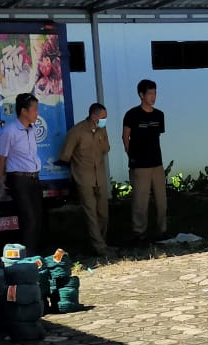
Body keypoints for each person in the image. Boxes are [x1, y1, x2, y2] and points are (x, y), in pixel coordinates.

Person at [59, 103, 113, 256]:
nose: (105, 120)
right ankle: (100, 248)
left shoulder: (102, 130)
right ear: (94, 117)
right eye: (103, 117)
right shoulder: (77, 132)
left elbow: (106, 148)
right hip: (84, 179)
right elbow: (65, 155)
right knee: (91, 215)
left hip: (100, 177)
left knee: (103, 213)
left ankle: (101, 243)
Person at [0, 93, 45, 252]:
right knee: (28, 219)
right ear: (24, 111)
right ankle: (27, 258)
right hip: (19, 180)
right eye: (34, 109)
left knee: (38, 219)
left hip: (34, 178)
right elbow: (1, 158)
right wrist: (2, 181)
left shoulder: (32, 130)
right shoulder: (9, 131)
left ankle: (37, 255)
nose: (37, 113)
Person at [122, 80, 167, 243]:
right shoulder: (132, 114)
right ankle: (139, 234)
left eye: (155, 93)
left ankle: (162, 231)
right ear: (141, 95)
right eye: (149, 94)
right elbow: (125, 137)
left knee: (161, 200)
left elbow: (158, 135)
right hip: (139, 164)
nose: (153, 97)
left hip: (157, 163)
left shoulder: (159, 115)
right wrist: (131, 155)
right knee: (140, 202)